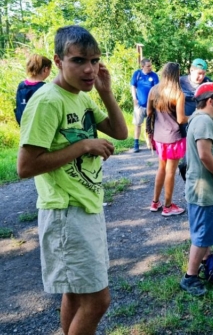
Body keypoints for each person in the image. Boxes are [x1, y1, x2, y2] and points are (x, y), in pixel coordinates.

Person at [17, 25, 128, 334]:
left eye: (94, 60)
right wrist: (82, 145)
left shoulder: (79, 97)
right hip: (66, 213)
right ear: (59, 60)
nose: (89, 68)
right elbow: (25, 167)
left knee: (75, 293)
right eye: (79, 60)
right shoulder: (48, 101)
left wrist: (105, 92)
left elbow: (120, 133)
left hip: (85, 208)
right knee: (98, 301)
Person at [180, 82, 213, 296]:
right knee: (202, 235)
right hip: (204, 189)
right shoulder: (203, 121)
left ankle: (205, 261)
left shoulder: (202, 119)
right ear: (211, 100)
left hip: (203, 187)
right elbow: (204, 154)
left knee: (204, 232)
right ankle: (190, 278)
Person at [147, 62, 187, 217]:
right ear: (176, 75)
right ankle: (168, 207)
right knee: (170, 171)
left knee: (161, 169)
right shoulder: (177, 93)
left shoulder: (154, 90)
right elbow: (181, 119)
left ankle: (155, 202)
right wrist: (195, 115)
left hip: (159, 137)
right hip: (174, 138)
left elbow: (149, 112)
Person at [178, 58, 212, 180]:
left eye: (203, 74)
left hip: (203, 127)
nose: (201, 77)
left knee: (205, 157)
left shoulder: (208, 83)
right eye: (199, 73)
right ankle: (189, 185)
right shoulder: (180, 82)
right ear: (191, 70)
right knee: (185, 163)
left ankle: (210, 187)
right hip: (184, 128)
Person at [130, 58, 159, 153]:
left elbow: (157, 89)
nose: (150, 67)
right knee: (137, 124)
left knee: (151, 125)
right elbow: (133, 86)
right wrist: (134, 99)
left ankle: (152, 143)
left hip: (151, 105)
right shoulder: (137, 74)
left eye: (151, 65)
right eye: (148, 66)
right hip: (140, 105)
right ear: (142, 66)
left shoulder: (154, 76)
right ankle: (136, 144)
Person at [14, 54, 52, 125]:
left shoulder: (21, 85)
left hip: (23, 125)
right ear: (45, 69)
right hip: (38, 127)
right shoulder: (45, 88)